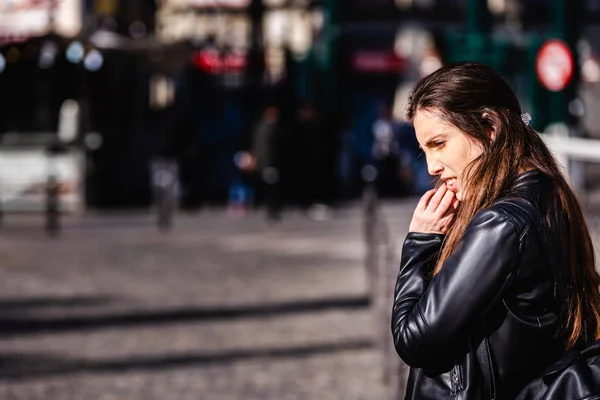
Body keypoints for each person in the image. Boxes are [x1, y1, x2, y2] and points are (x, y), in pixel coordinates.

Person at [391, 62, 600, 399]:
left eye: (439, 143)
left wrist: (420, 242)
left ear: (489, 127)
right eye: (424, 150)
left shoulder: (500, 223)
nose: (431, 166)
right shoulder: (547, 191)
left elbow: (413, 339)